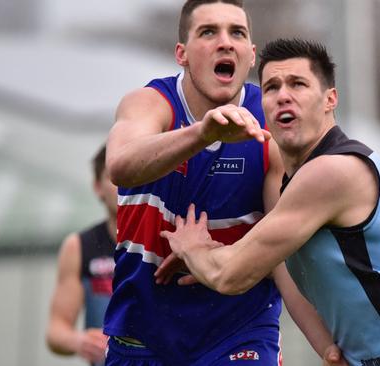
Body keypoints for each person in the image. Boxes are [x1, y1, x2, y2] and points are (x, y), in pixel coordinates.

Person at [156, 38, 380, 366]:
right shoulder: (296, 181)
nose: (283, 96)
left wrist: (193, 248)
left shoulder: (332, 172)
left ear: (330, 99)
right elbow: (280, 272)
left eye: (298, 84)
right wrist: (328, 348)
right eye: (272, 87)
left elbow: (232, 275)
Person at [103, 1, 343, 365]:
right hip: (143, 335)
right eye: (208, 32)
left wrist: (327, 347)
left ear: (251, 55)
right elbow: (120, 166)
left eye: (237, 33)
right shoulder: (150, 103)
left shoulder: (269, 126)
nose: (225, 42)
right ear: (181, 54)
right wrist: (203, 134)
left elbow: (283, 253)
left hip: (240, 331)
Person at [46, 144, 116, 366]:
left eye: (131, 172)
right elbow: (56, 331)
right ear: (97, 187)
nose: (124, 184)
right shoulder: (79, 246)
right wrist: (79, 341)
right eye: (114, 176)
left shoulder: (168, 238)